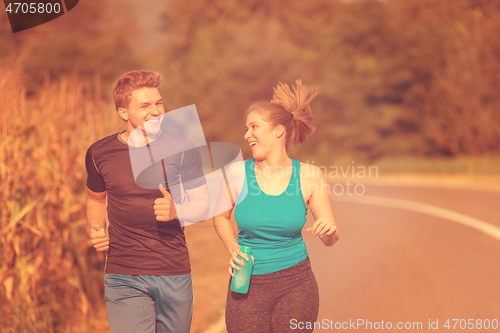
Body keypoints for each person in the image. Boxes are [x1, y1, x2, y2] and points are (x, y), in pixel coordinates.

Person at [85, 70, 209, 333]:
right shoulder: (99, 152)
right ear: (123, 112)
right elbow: (95, 199)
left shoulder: (183, 145)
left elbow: (202, 203)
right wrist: (97, 227)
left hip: (173, 271)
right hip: (123, 274)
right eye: (145, 106)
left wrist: (178, 210)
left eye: (159, 103)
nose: (156, 111)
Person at [213, 80, 339, 333]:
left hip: (296, 284)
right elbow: (220, 217)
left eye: (254, 127)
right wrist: (233, 248)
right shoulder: (237, 173)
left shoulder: (309, 176)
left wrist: (328, 231)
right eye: (246, 128)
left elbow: (331, 238)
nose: (247, 134)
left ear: (278, 131)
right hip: (247, 282)